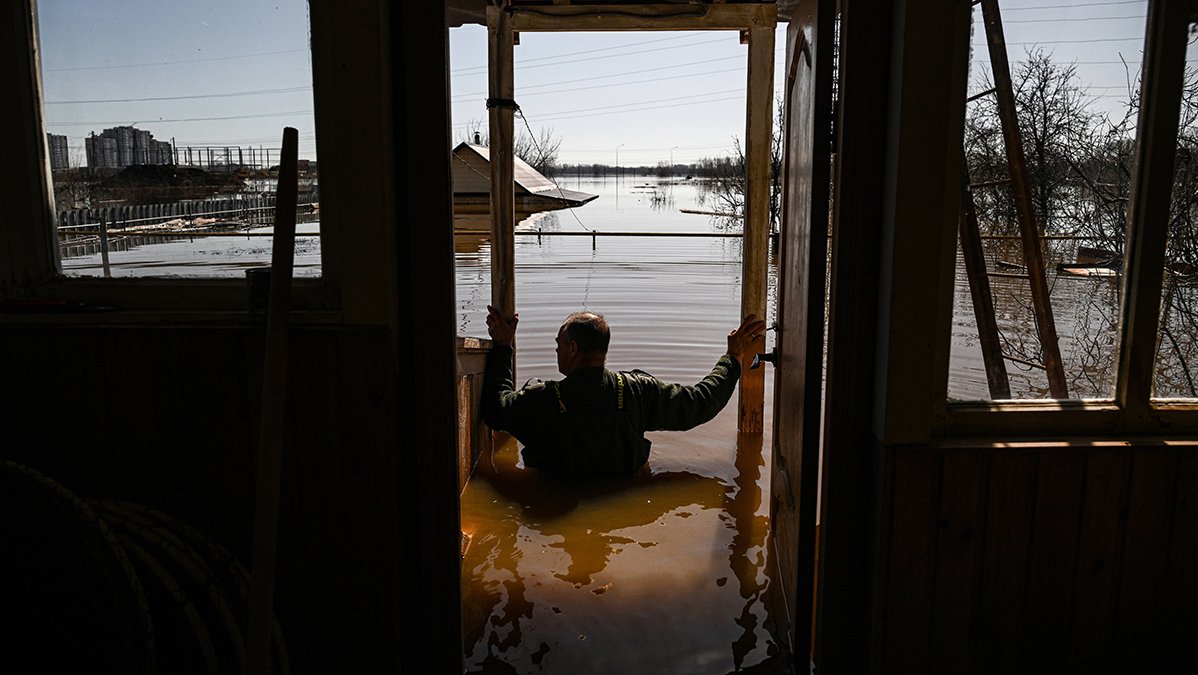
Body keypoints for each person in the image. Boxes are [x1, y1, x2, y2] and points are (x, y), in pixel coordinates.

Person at [482, 305, 766, 479]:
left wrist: (504, 347)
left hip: (551, 497)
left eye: (558, 343)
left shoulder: (539, 399)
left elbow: (495, 410)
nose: (556, 350)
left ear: (572, 348)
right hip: (625, 487)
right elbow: (703, 402)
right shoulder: (636, 391)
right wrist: (732, 358)